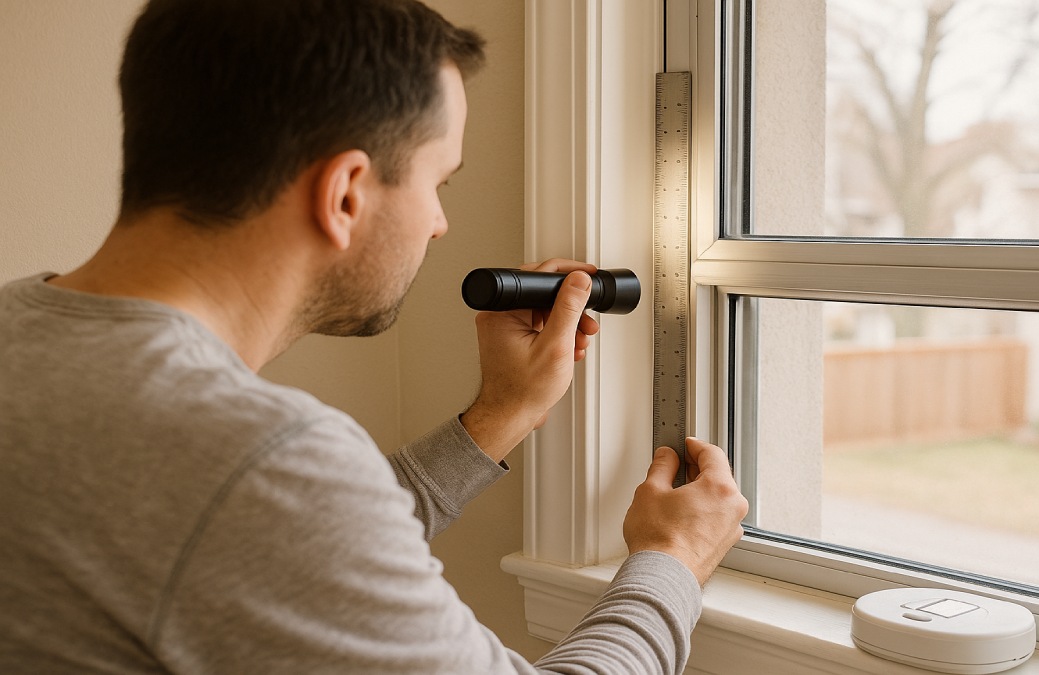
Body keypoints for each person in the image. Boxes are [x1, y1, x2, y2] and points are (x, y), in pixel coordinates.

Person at [0, 0, 749, 673]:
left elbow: (262, 541)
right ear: (347, 193)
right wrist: (671, 558)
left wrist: (499, 416)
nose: (438, 221)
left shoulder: (20, 333)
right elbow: (261, 506)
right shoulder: (249, 461)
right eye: (439, 183)